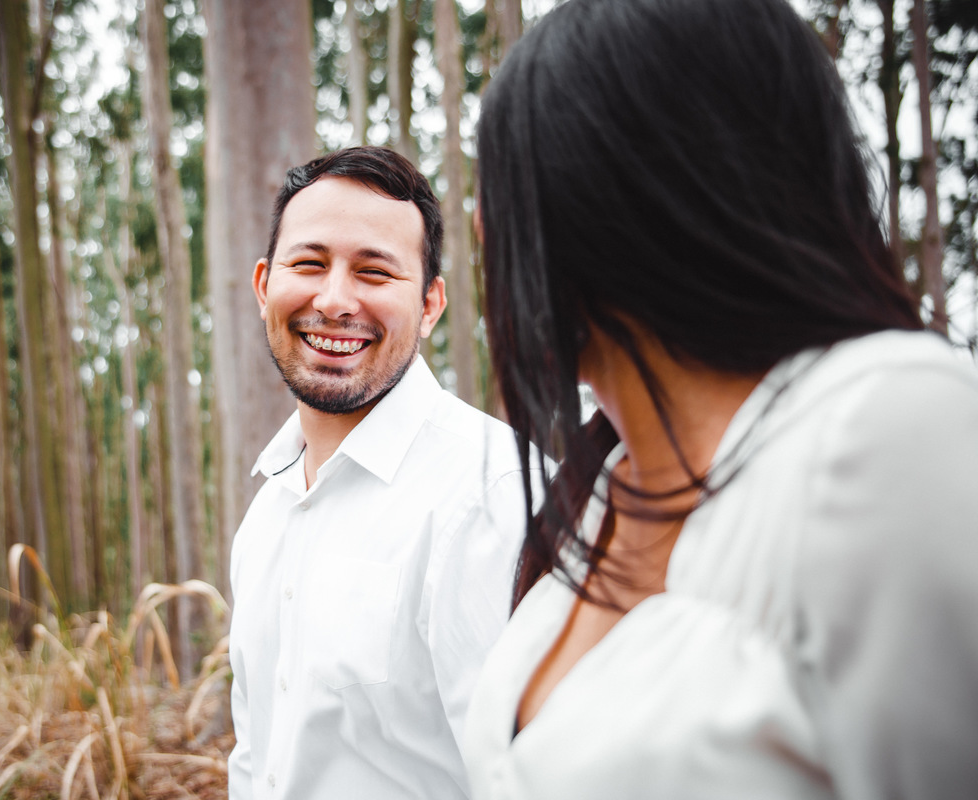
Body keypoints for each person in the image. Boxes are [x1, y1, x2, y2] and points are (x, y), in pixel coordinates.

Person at [463, 0, 978, 798]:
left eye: (499, 185)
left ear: (613, 196)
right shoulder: (598, 498)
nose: (479, 230)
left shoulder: (883, 429)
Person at [227, 146, 532, 800]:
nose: (334, 301)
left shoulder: (492, 492)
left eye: (374, 272)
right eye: (309, 263)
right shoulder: (265, 517)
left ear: (429, 305)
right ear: (263, 286)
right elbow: (255, 762)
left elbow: (533, 777)